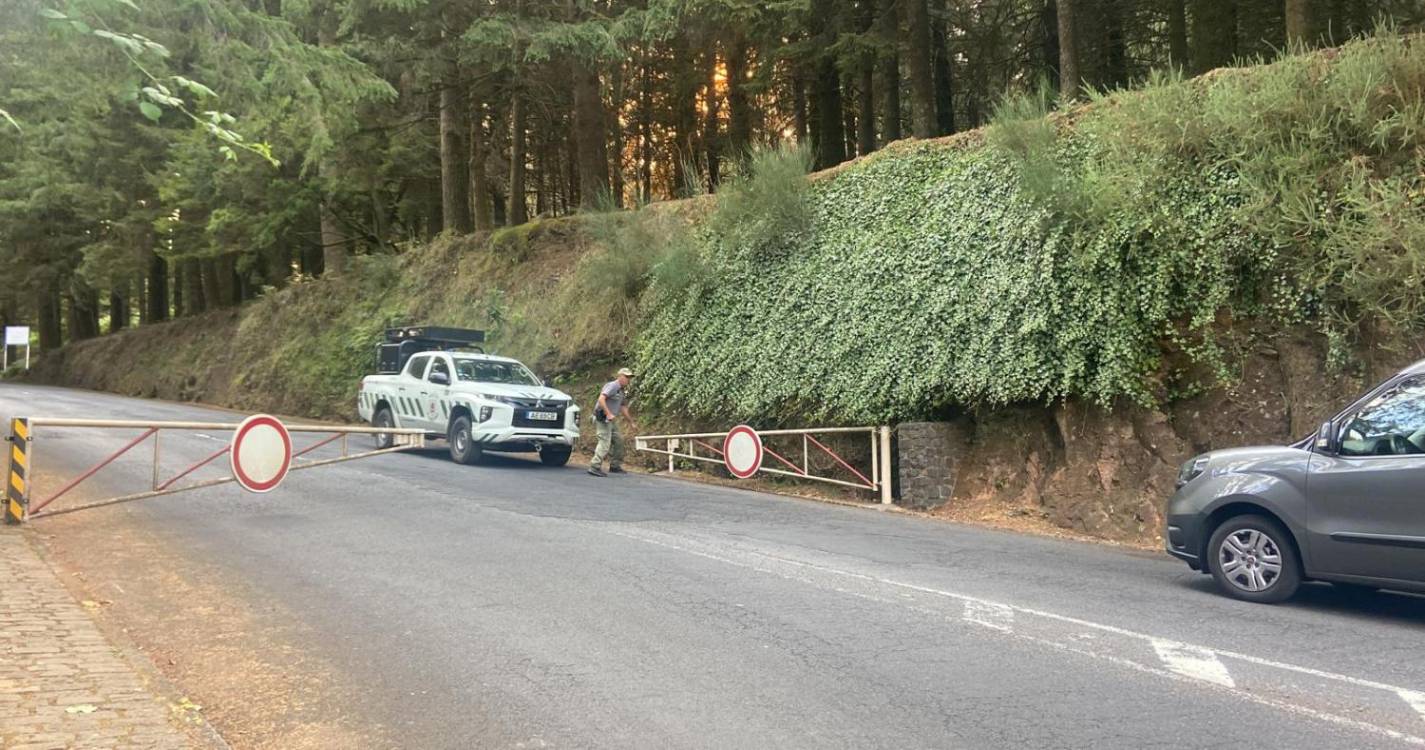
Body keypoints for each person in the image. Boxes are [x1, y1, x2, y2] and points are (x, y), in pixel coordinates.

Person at [589, 367, 637, 477]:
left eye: (629, 377)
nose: (628, 379)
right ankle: (594, 466)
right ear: (619, 376)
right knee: (604, 442)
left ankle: (615, 465)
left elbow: (623, 407)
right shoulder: (613, 386)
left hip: (611, 420)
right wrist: (608, 413)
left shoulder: (622, 390)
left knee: (619, 440)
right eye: (626, 377)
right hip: (602, 417)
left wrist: (631, 422)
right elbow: (601, 399)